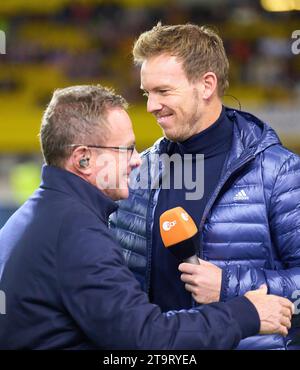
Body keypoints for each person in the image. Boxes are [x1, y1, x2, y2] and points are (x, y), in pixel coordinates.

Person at [0, 85, 294, 350]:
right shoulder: (78, 235)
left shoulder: (33, 215)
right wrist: (245, 312)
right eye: (126, 149)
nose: (137, 160)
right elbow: (147, 340)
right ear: (83, 159)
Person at [110, 23, 300, 350]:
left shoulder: (278, 172)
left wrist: (228, 287)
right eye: (147, 93)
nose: (151, 105)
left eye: (164, 91)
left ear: (206, 84)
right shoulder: (140, 171)